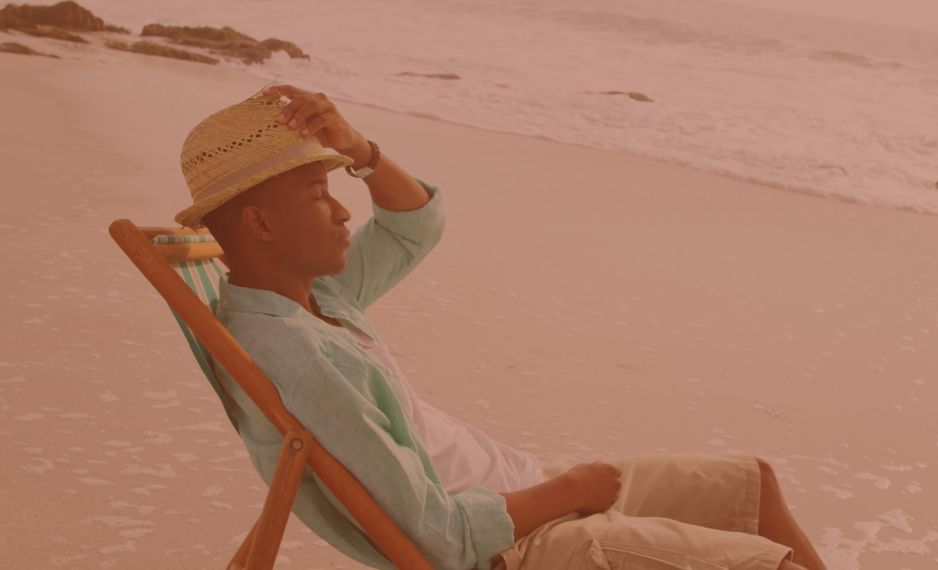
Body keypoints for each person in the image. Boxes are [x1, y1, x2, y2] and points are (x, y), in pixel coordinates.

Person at [175, 84, 827, 570]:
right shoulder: (299, 360)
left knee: (751, 484)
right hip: (517, 548)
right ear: (260, 226)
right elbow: (436, 534)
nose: (344, 212)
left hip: (524, 496)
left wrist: (360, 150)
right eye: (320, 195)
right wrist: (570, 491)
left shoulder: (311, 299)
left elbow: (415, 226)